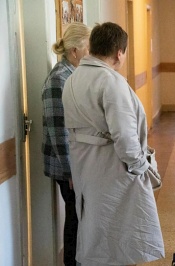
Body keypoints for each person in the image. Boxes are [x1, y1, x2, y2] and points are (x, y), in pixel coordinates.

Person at [62, 22, 165, 265]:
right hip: (113, 169)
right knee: (117, 236)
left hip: (84, 165)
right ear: (119, 52)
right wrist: (141, 166)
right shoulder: (111, 82)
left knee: (93, 229)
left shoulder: (72, 79)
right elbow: (126, 139)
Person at [41, 22, 90, 266]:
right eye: (87, 48)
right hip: (66, 167)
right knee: (75, 220)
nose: (90, 53)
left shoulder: (74, 75)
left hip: (77, 162)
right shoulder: (58, 80)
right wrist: (71, 171)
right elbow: (59, 131)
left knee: (80, 217)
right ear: (74, 51)